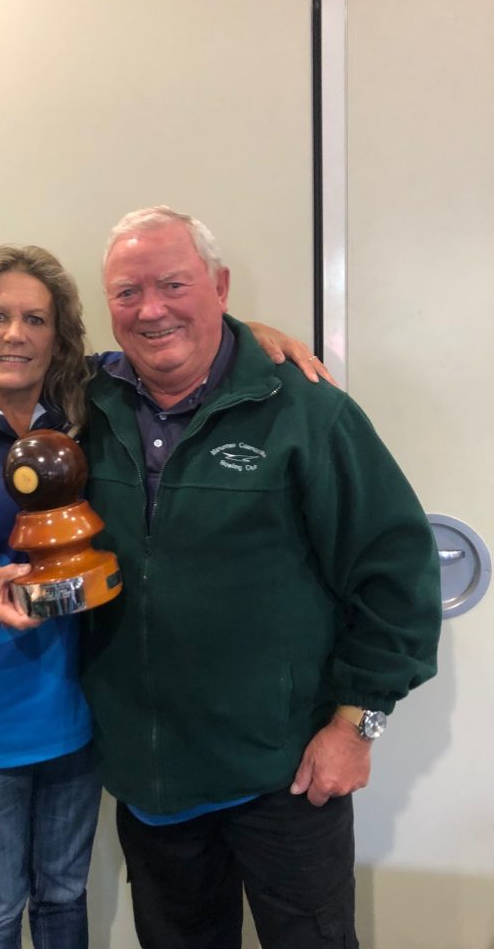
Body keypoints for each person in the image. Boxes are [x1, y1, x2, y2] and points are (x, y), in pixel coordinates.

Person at [0, 241, 323, 949]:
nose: (15, 335)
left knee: (63, 894)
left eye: (36, 320)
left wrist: (250, 334)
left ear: (59, 338)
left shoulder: (83, 411)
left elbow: (173, 343)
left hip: (79, 707)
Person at [76, 206, 442, 949]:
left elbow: (397, 572)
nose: (151, 310)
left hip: (287, 776)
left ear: (220, 287)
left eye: (174, 284)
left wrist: (358, 725)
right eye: (127, 292)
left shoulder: (307, 412)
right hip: (152, 782)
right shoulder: (84, 406)